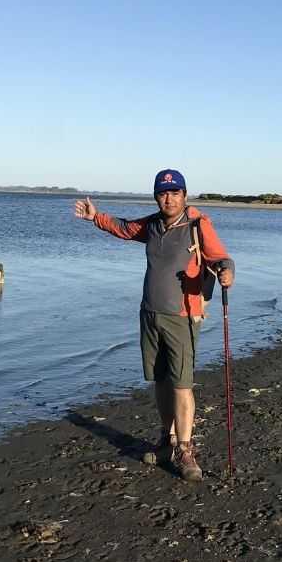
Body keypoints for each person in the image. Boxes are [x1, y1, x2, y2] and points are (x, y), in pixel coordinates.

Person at [73, 169, 235, 482]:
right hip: (149, 314)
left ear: (185, 195)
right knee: (160, 380)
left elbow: (221, 259)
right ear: (156, 196)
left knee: (181, 384)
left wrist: (227, 272)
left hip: (182, 316)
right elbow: (123, 228)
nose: (169, 198)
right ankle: (167, 441)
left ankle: (186, 451)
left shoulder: (198, 225)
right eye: (163, 193)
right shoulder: (153, 224)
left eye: (175, 193)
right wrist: (96, 217)